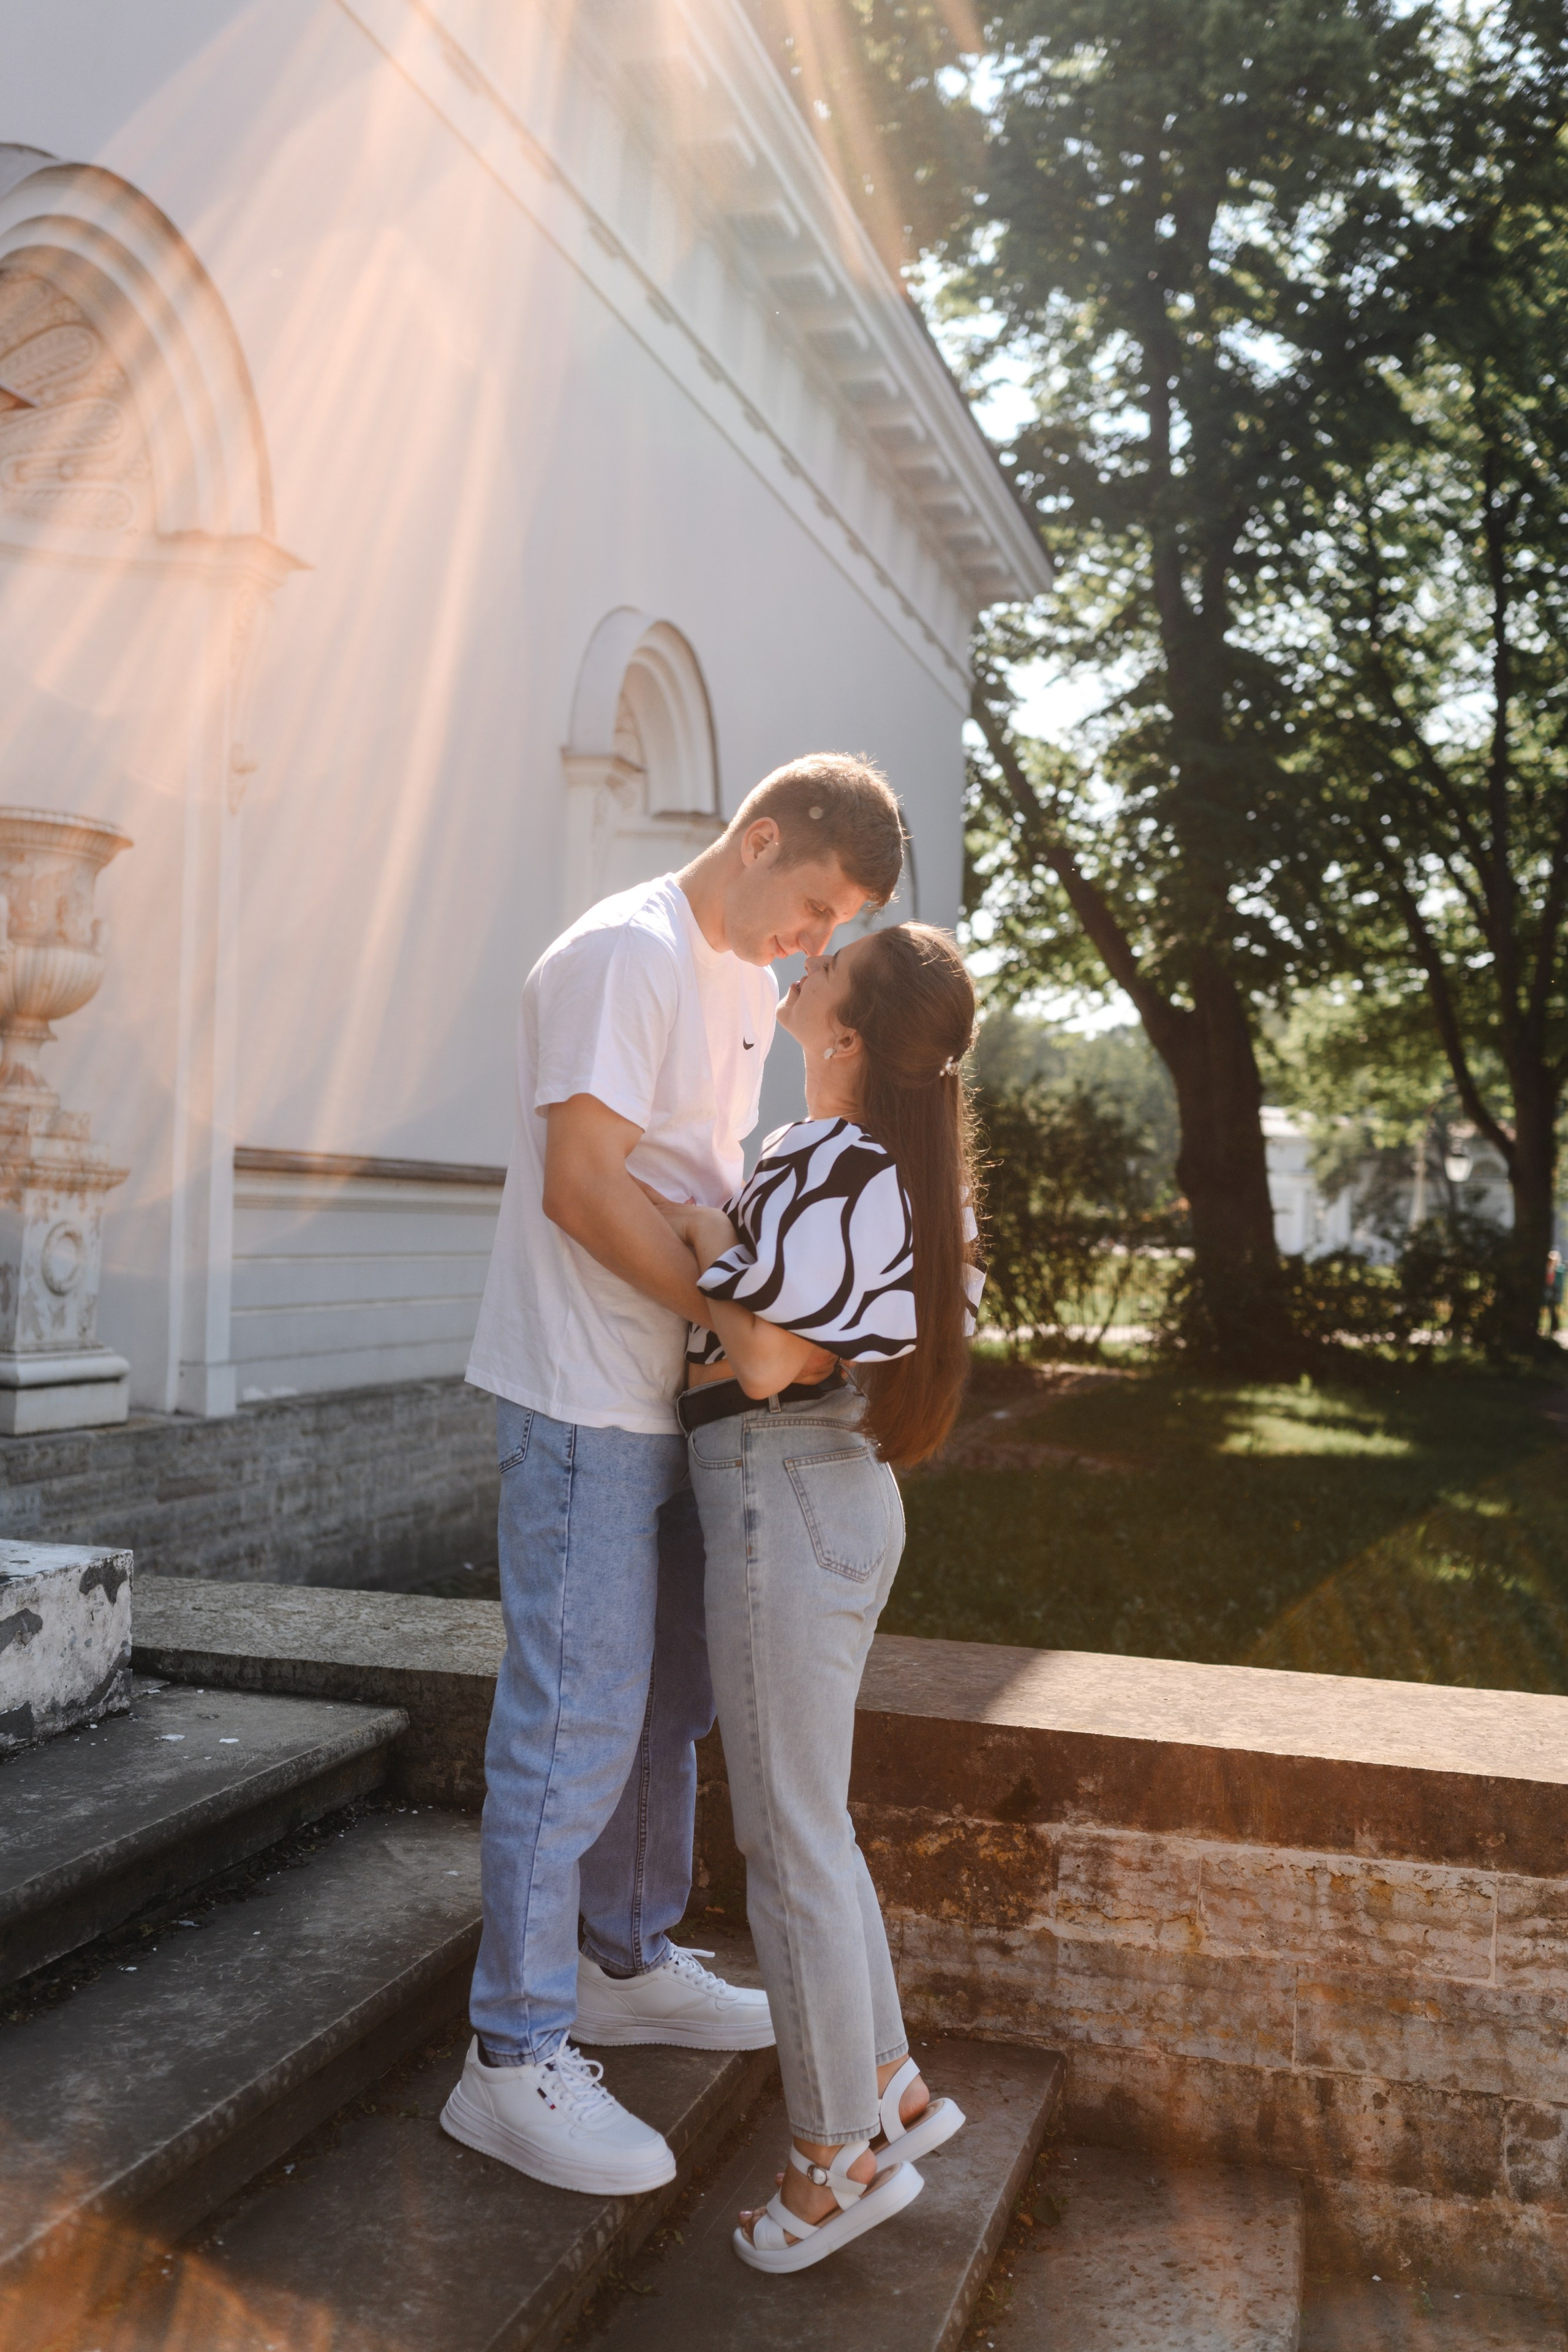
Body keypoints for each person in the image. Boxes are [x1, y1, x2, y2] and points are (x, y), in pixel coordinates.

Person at [440, 755, 906, 2197]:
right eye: (812, 902)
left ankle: (623, 1962)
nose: (812, 943)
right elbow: (583, 1186)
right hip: (585, 1392)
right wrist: (727, 1312)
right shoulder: (621, 953)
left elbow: (698, 1176)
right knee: (572, 1718)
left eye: (837, 925)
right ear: (757, 838)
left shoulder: (737, 976)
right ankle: (509, 2058)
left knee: (666, 1708)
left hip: (682, 1409)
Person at [650, 921, 982, 2272]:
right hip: (811, 1493)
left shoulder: (853, 1166)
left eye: (829, 964)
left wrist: (681, 1244)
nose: (807, 961)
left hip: (781, 1484)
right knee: (810, 1827)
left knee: (786, 1846)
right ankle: (890, 2083)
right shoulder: (835, 1157)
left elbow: (776, 1358)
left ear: (843, 1035)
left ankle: (833, 2156)